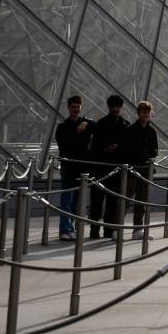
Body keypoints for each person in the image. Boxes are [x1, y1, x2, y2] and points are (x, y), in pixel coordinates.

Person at [89, 95, 132, 237]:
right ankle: (98, 229)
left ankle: (101, 229)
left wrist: (109, 149)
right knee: (100, 201)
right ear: (109, 107)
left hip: (107, 168)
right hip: (108, 168)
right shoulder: (125, 125)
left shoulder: (102, 124)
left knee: (108, 201)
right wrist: (108, 149)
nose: (115, 109)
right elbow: (94, 146)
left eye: (117, 106)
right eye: (113, 106)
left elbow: (94, 146)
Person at [53, 96, 93, 241]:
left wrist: (87, 123)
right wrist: (77, 131)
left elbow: (98, 130)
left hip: (81, 168)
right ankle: (65, 229)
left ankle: (71, 228)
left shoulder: (86, 124)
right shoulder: (62, 126)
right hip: (69, 167)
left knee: (76, 202)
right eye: (73, 107)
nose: (76, 109)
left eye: (78, 107)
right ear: (68, 107)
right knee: (66, 201)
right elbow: (64, 147)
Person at [124, 100, 160, 238]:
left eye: (147, 112)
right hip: (134, 168)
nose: (146, 114)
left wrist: (149, 154)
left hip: (145, 169)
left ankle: (138, 228)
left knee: (142, 200)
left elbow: (155, 150)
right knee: (126, 198)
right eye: (143, 112)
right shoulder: (130, 130)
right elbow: (127, 150)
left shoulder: (151, 131)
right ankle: (117, 227)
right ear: (138, 113)